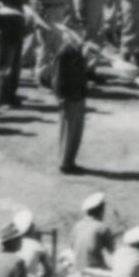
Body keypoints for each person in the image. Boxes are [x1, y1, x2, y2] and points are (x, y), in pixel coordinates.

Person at [51, 29, 95, 176]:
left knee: (76, 132)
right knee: (68, 132)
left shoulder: (78, 50)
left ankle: (70, 161)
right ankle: (64, 163)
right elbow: (57, 77)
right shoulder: (64, 52)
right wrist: (60, 97)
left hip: (78, 95)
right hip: (69, 97)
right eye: (80, 35)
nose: (83, 38)